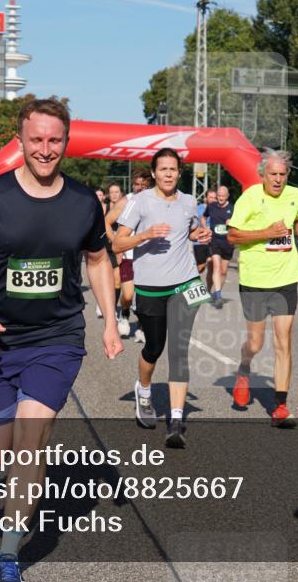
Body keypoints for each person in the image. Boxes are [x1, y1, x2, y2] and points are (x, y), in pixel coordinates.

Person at [0, 98, 122, 581]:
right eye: (36, 139)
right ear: (20, 140)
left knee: (30, 443)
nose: (46, 149)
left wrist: (109, 319)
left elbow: (99, 259)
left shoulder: (84, 201)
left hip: (57, 339)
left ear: (67, 141)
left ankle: (7, 554)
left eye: (55, 140)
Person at [113, 148, 211, 448]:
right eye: (163, 169)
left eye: (173, 169)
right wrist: (144, 235)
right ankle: (144, 390)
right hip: (150, 286)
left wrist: (200, 236)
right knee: (154, 347)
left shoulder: (188, 202)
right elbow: (118, 243)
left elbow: (190, 230)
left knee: (179, 350)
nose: (168, 174)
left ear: (179, 172)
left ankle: (176, 419)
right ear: (154, 172)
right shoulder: (139, 202)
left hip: (185, 283)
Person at [227, 149, 298, 427]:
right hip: (254, 280)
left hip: (286, 278)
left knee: (283, 340)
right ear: (263, 175)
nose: (278, 180)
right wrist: (266, 233)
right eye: (273, 175)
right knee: (256, 343)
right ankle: (244, 369)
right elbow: (232, 235)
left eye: (282, 174)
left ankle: (280, 405)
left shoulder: (294, 194)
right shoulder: (250, 198)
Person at [106, 171, 152, 343]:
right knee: (127, 295)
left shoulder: (155, 200)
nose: (140, 188)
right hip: (128, 254)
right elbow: (107, 221)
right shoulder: (127, 200)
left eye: (144, 185)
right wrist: (116, 245)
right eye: (137, 184)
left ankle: (141, 327)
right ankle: (124, 314)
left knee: (145, 297)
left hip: (148, 256)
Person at [95, 182, 124, 320]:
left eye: (116, 192)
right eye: (111, 192)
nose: (114, 195)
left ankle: (112, 308)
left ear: (121, 194)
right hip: (104, 247)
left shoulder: (126, 209)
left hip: (119, 248)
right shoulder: (103, 207)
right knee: (105, 277)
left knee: (117, 279)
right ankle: (101, 302)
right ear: (108, 195)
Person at [205, 185, 235, 307]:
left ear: (227, 196)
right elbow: (203, 216)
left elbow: (240, 224)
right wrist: (205, 227)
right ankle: (217, 294)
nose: (221, 198)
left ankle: (217, 292)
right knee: (216, 266)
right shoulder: (211, 206)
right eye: (219, 196)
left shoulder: (232, 208)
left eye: (223, 196)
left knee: (223, 271)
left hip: (228, 243)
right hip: (215, 241)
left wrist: (232, 223)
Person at [194, 188, 216, 293]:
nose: (213, 200)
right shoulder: (198, 209)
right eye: (210, 197)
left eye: (214, 198)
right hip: (200, 242)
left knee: (211, 265)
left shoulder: (218, 210)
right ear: (206, 198)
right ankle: (192, 286)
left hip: (213, 242)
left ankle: (208, 291)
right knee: (201, 267)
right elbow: (193, 225)